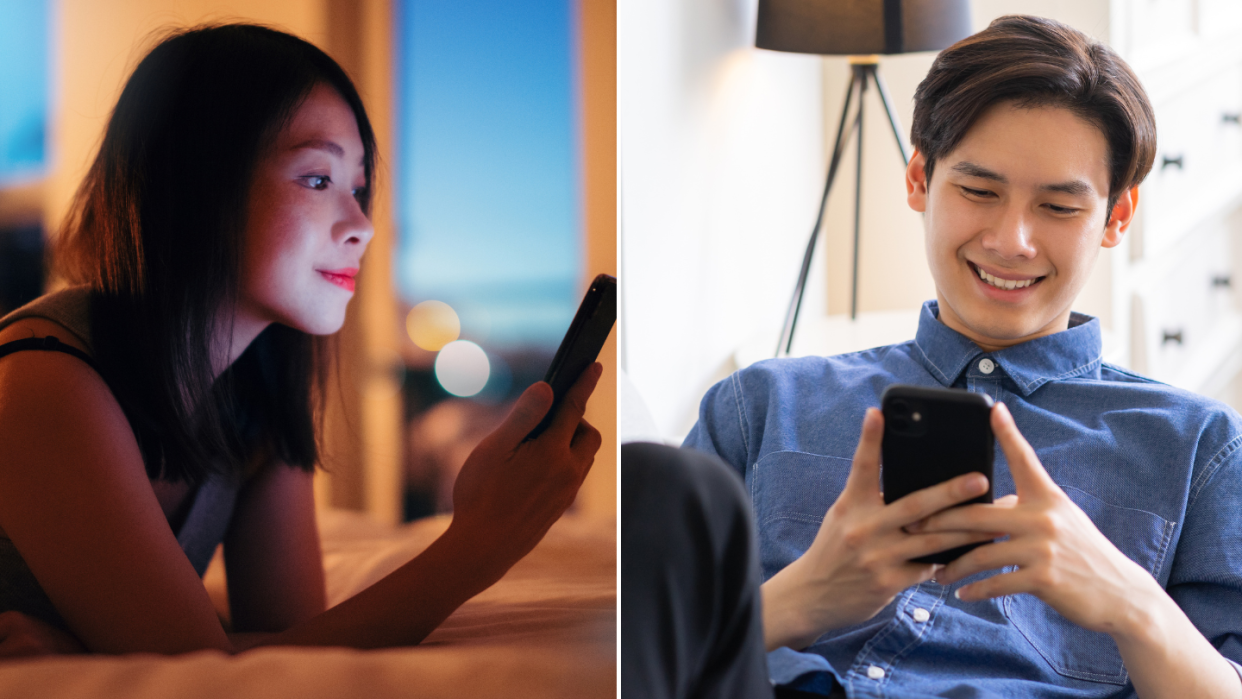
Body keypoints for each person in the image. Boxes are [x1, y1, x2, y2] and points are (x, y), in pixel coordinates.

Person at [677, 15, 1242, 699]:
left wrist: (1130, 600)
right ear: (919, 178)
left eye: (1059, 206)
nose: (1012, 240)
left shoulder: (1199, 449)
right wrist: (799, 598)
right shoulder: (761, 407)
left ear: (1118, 217)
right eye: (979, 191)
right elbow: (633, 655)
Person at [0, 24, 602, 656]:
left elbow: (296, 645)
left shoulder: (254, 388)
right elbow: (197, 674)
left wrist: (85, 649)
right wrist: (480, 543)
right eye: (318, 179)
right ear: (195, 186)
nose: (363, 226)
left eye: (358, 189)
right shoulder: (45, 381)